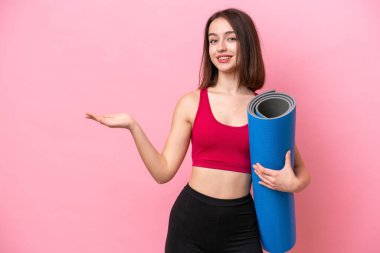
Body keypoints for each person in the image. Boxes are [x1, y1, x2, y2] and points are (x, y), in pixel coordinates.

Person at [85, 8, 311, 253]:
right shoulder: (191, 103)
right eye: (213, 40)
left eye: (231, 38)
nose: (220, 47)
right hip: (190, 221)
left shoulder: (262, 110)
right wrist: (133, 126)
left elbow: (301, 171)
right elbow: (163, 172)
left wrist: (294, 184)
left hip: (241, 225)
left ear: (247, 44)